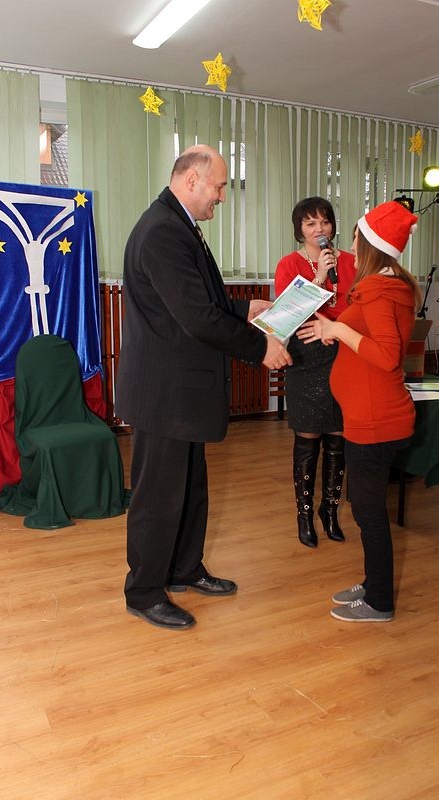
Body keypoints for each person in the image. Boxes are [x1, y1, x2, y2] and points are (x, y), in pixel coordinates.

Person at [116, 144, 292, 630]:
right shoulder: (161, 232)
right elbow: (195, 317)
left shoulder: (178, 223)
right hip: (164, 393)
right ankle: (144, 591)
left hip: (182, 391)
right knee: (158, 497)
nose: (222, 196)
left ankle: (184, 568)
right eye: (218, 186)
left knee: (190, 488)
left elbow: (197, 301)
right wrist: (260, 348)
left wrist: (245, 308)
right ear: (191, 180)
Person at [298, 200, 421, 622]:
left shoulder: (380, 289)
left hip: (376, 419)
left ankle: (379, 602)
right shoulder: (383, 285)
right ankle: (373, 583)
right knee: (367, 511)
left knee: (369, 514)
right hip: (369, 415)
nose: (349, 244)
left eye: (356, 237)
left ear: (370, 244)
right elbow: (369, 338)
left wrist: (338, 328)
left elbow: (386, 355)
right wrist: (336, 331)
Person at [274, 197, 356, 548]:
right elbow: (285, 318)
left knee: (338, 437)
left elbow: (358, 307)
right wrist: (319, 276)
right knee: (308, 438)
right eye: (310, 223)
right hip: (306, 355)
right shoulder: (289, 264)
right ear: (299, 230)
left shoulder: (352, 261)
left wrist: (335, 328)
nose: (319, 228)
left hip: (343, 352)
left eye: (324, 221)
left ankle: (330, 510)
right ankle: (304, 514)